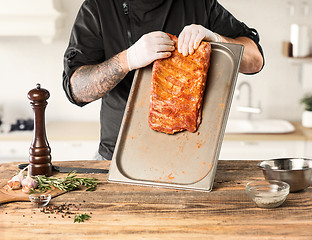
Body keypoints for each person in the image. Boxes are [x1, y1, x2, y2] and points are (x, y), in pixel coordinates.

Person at [63, 0, 264, 160]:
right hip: (117, 156)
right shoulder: (98, 7)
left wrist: (217, 39)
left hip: (188, 157)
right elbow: (77, 90)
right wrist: (128, 59)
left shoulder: (199, 4)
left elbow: (255, 61)